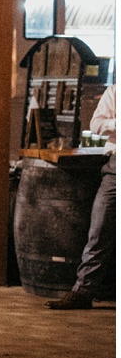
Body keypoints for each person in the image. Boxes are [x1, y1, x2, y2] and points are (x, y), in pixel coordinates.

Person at [48, 83, 115, 309]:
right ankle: (83, 291)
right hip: (116, 169)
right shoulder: (116, 91)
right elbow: (95, 125)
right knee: (100, 229)